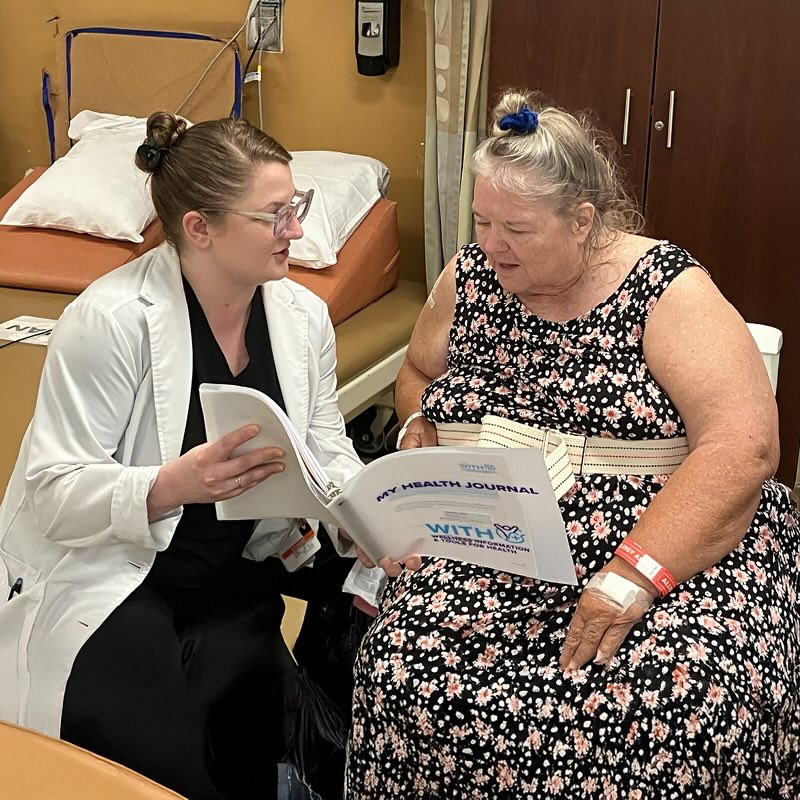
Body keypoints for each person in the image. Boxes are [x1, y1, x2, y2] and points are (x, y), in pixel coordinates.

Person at [346, 91, 800, 798]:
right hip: (497, 530)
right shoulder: (471, 278)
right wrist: (413, 425)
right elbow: (416, 371)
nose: (492, 245)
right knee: (399, 665)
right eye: (482, 220)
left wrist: (631, 576)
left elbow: (743, 446)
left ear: (582, 221)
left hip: (663, 542)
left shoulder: (665, 290)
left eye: (517, 230)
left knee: (667, 707)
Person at [0, 112, 370, 799]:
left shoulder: (301, 317)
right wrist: (169, 485)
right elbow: (53, 491)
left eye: (298, 208)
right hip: (113, 576)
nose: (296, 230)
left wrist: (368, 517)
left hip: (235, 569)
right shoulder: (111, 319)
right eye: (274, 216)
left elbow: (325, 445)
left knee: (260, 740)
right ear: (200, 228)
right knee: (165, 753)